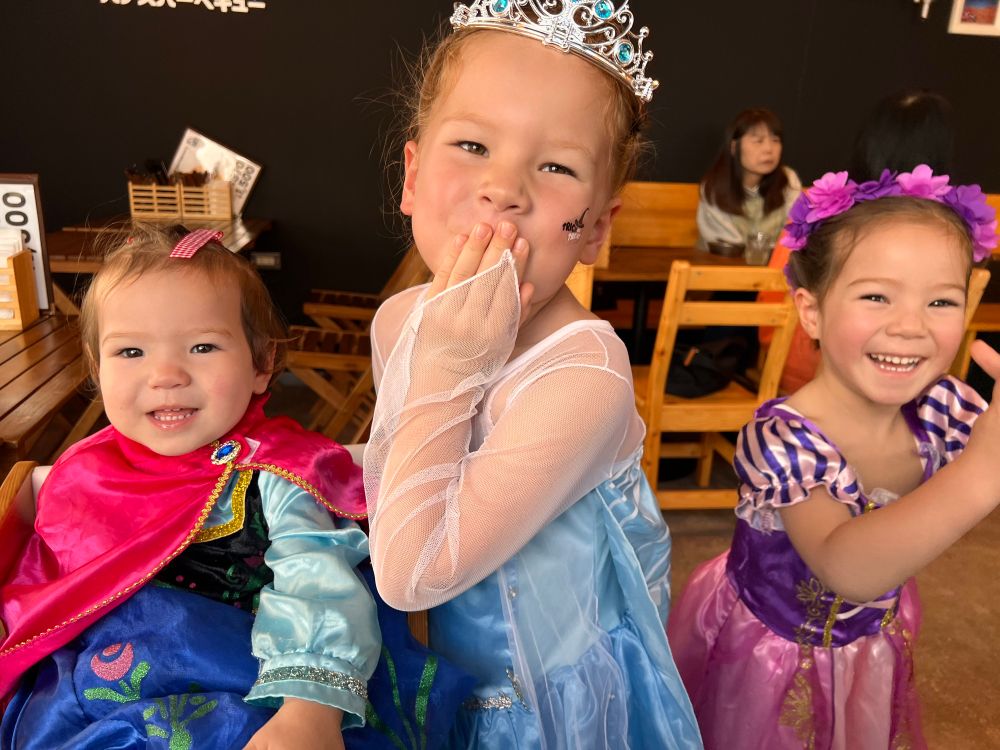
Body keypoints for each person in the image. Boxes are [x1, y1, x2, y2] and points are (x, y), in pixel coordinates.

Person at [363, 2, 702, 748]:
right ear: (412, 176)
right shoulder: (398, 321)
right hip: (434, 666)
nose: (505, 188)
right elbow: (400, 474)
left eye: (556, 166)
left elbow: (413, 570)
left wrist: (452, 363)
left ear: (598, 227)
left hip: (541, 700)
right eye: (474, 143)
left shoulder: (585, 375)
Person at [0, 225, 469, 750]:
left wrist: (308, 709)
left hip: (245, 686)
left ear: (262, 364)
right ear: (96, 367)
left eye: (202, 346)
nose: (166, 375)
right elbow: (41, 591)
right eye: (130, 352)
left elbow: (317, 582)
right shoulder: (82, 472)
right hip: (99, 688)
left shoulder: (274, 471)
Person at [668, 166, 1000, 749]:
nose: (910, 326)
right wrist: (981, 476)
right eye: (876, 296)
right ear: (812, 310)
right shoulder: (784, 440)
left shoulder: (945, 408)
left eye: (941, 301)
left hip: (870, 647)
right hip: (768, 656)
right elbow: (846, 567)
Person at [763, 89, 958, 394]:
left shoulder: (820, 207)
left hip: (802, 372)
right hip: (902, 382)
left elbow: (770, 305)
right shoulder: (950, 231)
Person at [697, 107, 801, 252]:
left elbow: (794, 233)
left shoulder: (788, 180)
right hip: (721, 267)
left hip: (773, 269)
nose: (769, 149)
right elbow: (728, 246)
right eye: (758, 141)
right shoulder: (715, 187)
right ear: (734, 147)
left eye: (775, 140)